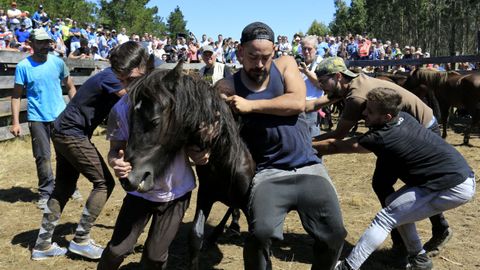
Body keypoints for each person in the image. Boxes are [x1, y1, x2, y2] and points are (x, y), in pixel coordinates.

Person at [216, 22, 346, 270]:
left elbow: (297, 102)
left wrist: (250, 105)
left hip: (309, 166)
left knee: (335, 233)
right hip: (268, 172)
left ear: (274, 51)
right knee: (260, 234)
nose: (260, 64)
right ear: (240, 53)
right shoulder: (228, 86)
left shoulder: (285, 63)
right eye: (253, 57)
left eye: (266, 56)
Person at [312, 87, 476, 270]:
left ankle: (348, 267)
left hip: (453, 185)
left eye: (370, 111)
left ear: (386, 117)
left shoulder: (380, 137)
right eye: (366, 107)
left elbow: (334, 147)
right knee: (393, 204)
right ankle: (419, 259)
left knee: (386, 218)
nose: (363, 113)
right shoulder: (404, 117)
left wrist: (302, 145)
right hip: (454, 177)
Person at [309, 57, 454, 257]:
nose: (322, 86)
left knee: (413, 182)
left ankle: (427, 234)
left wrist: (305, 144)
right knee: (385, 183)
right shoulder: (355, 81)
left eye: (323, 81)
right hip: (409, 127)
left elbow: (337, 137)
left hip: (420, 129)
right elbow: (317, 103)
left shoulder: (356, 98)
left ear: (338, 76)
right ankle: (410, 238)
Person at [29, 41, 147, 261]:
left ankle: (42, 245)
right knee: (104, 183)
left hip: (63, 130)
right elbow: (133, 100)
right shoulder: (112, 78)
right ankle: (81, 240)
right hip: (72, 133)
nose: (128, 78)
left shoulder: (111, 76)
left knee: (64, 187)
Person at [97, 71, 210, 270]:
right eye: (123, 81)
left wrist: (201, 154)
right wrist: (116, 161)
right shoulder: (122, 109)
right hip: (139, 192)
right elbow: (115, 150)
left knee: (155, 257)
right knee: (116, 250)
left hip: (175, 193)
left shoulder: (179, 104)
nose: (128, 87)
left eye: (133, 80)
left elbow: (198, 146)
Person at [10, 28, 76, 209]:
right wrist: (15, 122)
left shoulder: (58, 63)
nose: (44, 46)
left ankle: (69, 187)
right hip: (37, 117)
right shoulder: (24, 66)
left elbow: (70, 87)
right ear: (31, 44)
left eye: (46, 42)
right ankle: (46, 192)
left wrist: (75, 109)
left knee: (67, 153)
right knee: (42, 156)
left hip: (60, 115)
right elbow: (16, 96)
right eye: (40, 42)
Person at [298, 35, 324, 138]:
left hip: (313, 107)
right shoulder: (301, 62)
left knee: (312, 141)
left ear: (316, 49)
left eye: (309, 49)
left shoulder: (321, 64)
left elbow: (321, 85)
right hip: (300, 106)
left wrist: (306, 72)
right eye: (304, 48)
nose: (306, 51)